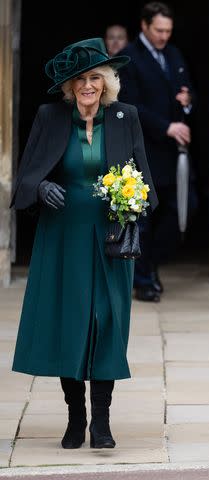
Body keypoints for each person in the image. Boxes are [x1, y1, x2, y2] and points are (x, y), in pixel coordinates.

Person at [11, 38, 157, 450]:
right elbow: (25, 176)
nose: (88, 86)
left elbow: (146, 179)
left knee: (107, 324)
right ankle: (76, 420)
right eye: (80, 79)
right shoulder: (50, 116)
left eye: (96, 78)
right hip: (63, 234)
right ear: (70, 86)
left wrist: (134, 201)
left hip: (110, 234)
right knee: (70, 322)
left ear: (107, 82)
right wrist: (40, 188)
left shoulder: (126, 116)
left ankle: (103, 422)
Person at [118, 1, 195, 302]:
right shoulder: (128, 57)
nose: (164, 36)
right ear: (145, 26)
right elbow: (130, 104)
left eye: (168, 31)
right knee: (144, 219)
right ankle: (143, 280)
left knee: (185, 209)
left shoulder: (174, 54)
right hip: (143, 151)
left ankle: (151, 265)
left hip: (174, 154)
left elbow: (188, 91)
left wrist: (188, 100)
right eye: (159, 30)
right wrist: (166, 127)